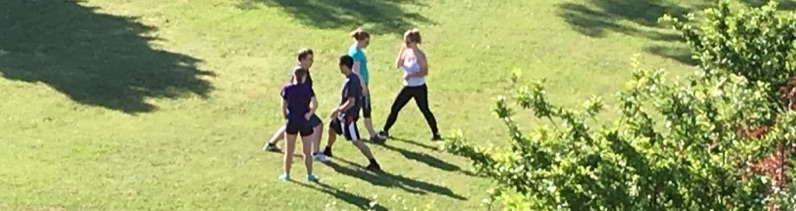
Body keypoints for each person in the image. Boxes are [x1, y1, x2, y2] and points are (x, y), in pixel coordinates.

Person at [263, 48, 330, 162]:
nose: (312, 61)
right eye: (309, 59)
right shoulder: (299, 73)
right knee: (318, 125)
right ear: (302, 59)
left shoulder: (304, 71)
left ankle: (271, 144)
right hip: (301, 109)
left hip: (298, 109)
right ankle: (315, 152)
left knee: (291, 127)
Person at [377, 29, 442, 141]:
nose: (405, 44)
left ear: (414, 42)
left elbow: (425, 72)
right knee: (395, 107)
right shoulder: (407, 52)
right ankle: (385, 130)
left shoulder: (420, 55)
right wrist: (401, 50)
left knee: (424, 109)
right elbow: (397, 65)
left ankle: (436, 133)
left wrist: (412, 75)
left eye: (407, 42)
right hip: (407, 87)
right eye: (405, 42)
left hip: (419, 88)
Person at [321, 55, 382, 171]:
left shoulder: (351, 81)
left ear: (344, 66)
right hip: (342, 115)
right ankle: (327, 149)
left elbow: (351, 102)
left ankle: (373, 162)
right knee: (331, 128)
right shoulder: (351, 78)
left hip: (348, 116)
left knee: (356, 140)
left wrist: (337, 110)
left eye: (340, 65)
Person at [278, 68, 319, 182]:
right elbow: (315, 104)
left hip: (292, 121)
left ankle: (286, 174)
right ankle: (309, 175)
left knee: (289, 150)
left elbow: (283, 105)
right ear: (304, 77)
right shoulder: (307, 89)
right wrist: (309, 114)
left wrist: (286, 115)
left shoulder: (287, 89)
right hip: (304, 122)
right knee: (307, 151)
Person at [348, 28, 380, 141]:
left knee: (361, 109)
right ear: (360, 40)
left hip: (360, 85)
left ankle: (370, 133)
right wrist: (364, 87)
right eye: (366, 42)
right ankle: (372, 134)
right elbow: (356, 72)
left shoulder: (355, 50)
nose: (367, 44)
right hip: (360, 86)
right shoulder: (356, 53)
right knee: (366, 108)